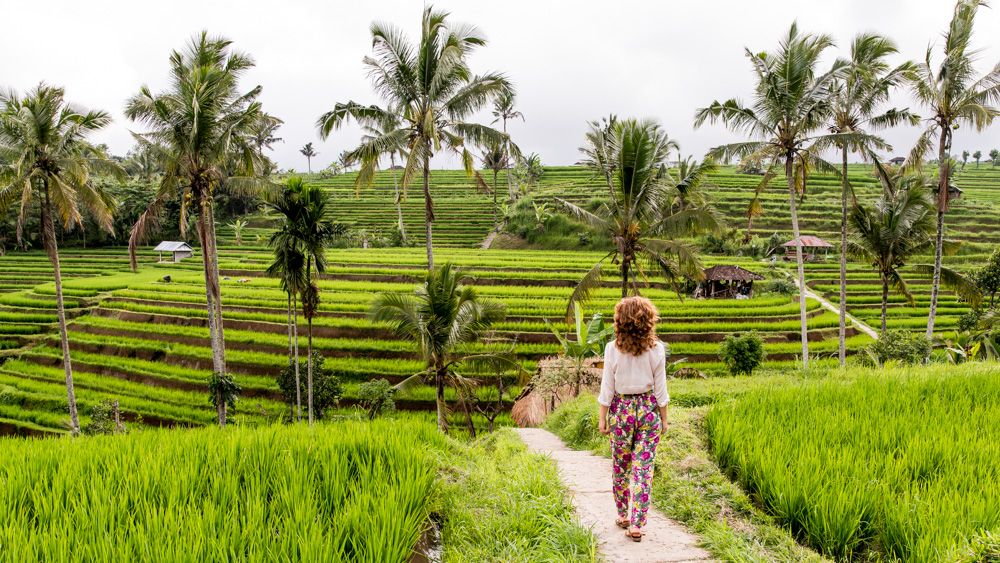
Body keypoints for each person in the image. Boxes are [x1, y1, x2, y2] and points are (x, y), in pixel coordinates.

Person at [597, 296, 669, 543]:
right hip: (649, 409)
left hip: (621, 411)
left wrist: (602, 419)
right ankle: (637, 524)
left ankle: (622, 514)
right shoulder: (657, 349)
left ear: (620, 321)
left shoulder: (611, 349)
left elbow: (607, 387)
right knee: (643, 469)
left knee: (621, 466)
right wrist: (665, 420)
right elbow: (661, 390)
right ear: (648, 320)